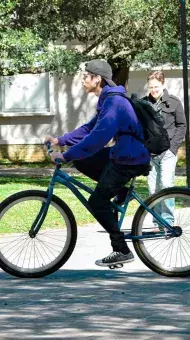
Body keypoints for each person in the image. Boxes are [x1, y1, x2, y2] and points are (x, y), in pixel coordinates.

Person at [44, 59, 151, 267]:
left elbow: (98, 138)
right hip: (123, 153)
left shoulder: (114, 102)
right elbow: (88, 129)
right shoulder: (107, 99)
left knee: (96, 202)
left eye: (86, 76)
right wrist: (60, 141)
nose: (83, 80)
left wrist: (65, 156)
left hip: (129, 158)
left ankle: (121, 250)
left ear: (97, 79)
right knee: (82, 161)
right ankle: (118, 191)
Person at [142, 71, 186, 228]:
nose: (153, 90)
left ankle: (167, 222)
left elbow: (182, 126)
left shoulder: (173, 102)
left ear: (163, 85)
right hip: (150, 153)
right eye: (151, 87)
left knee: (166, 185)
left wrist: (173, 147)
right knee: (153, 189)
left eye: (156, 87)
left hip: (167, 152)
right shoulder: (144, 104)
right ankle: (156, 221)